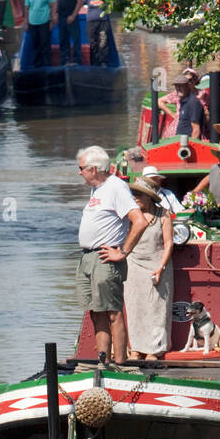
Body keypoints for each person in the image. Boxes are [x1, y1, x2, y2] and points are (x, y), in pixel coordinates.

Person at [76, 146, 149, 364]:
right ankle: (103, 362)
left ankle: (120, 364)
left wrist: (123, 252)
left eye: (81, 168)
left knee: (112, 312)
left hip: (105, 258)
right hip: (88, 258)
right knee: (96, 312)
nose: (79, 172)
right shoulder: (98, 189)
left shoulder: (116, 187)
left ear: (94, 169)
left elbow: (140, 221)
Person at [124, 178, 175, 361]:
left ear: (149, 197)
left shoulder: (163, 214)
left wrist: (161, 267)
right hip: (134, 264)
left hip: (157, 264)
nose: (135, 197)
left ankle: (155, 349)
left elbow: (169, 242)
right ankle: (136, 348)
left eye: (139, 194)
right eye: (133, 194)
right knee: (135, 306)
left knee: (158, 308)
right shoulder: (131, 215)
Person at [23, 0, 56, 68]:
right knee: (35, 44)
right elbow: (27, 7)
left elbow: (53, 5)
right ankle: (37, 66)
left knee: (45, 44)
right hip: (33, 22)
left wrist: (52, 20)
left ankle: (47, 65)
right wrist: (26, 21)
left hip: (44, 22)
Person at [54, 0, 85, 65]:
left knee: (76, 40)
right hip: (61, 17)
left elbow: (80, 1)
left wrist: (73, 16)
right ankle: (64, 60)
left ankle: (77, 61)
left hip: (72, 17)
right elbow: (56, 0)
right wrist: (55, 13)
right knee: (63, 40)